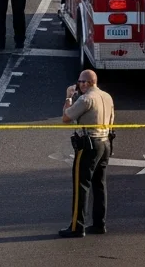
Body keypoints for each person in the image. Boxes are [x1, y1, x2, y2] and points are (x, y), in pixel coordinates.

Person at [59, 68, 115, 237]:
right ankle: (99, 223)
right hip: (105, 141)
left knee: (81, 185)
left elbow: (66, 118)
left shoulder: (86, 99)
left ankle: (77, 226)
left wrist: (69, 97)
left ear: (89, 82)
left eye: (81, 82)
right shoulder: (107, 96)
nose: (79, 85)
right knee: (99, 184)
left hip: (89, 144)